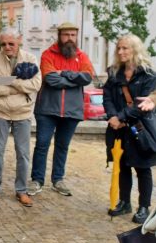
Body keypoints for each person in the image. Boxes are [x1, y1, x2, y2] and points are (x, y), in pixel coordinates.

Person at [28, 22, 94, 197]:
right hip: (47, 109)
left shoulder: (82, 56)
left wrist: (63, 73)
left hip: (72, 111)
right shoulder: (47, 55)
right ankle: (37, 180)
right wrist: (74, 79)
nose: (69, 39)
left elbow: (87, 77)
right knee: (42, 145)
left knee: (62, 146)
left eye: (73, 35)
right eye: (66, 35)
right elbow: (51, 80)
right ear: (59, 36)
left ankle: (58, 179)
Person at [0, 28, 42, 207]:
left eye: (11, 43)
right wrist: (19, 85)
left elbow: (36, 84)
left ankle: (21, 190)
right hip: (0, 111)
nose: (7, 47)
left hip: (23, 112)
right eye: (3, 44)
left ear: (20, 41)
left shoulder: (31, 59)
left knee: (23, 154)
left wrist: (8, 80)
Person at [103, 34, 156, 224]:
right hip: (117, 128)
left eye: (125, 48)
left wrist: (121, 117)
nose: (120, 52)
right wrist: (112, 117)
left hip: (140, 128)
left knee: (143, 168)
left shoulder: (148, 74)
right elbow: (107, 97)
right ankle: (125, 202)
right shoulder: (114, 72)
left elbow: (142, 103)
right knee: (123, 164)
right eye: (119, 48)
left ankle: (144, 207)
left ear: (135, 49)